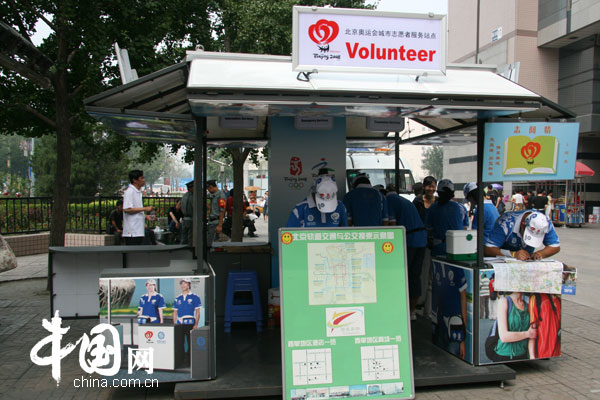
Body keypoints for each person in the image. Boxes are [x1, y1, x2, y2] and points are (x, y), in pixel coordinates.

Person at [386, 185, 427, 321]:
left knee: (401, 275)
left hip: (409, 240)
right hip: (421, 239)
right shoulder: (403, 200)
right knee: (415, 276)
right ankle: (412, 311)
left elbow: (390, 226)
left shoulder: (389, 201)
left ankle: (399, 309)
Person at [484, 210, 560, 260]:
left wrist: (539, 254)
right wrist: (513, 254)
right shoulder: (505, 222)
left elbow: (555, 246)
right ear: (522, 224)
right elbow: (488, 249)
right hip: (501, 261)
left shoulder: (544, 223)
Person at [431, 262, 468, 359]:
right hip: (440, 325)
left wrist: (463, 339)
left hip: (455, 329)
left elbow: (463, 298)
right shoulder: (436, 264)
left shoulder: (456, 268)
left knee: (453, 360)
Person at [425, 179, 469, 257]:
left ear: (438, 193)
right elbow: (465, 229)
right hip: (458, 248)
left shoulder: (433, 208)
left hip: (439, 249)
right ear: (453, 193)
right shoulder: (461, 208)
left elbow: (429, 230)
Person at [493, 292, 536, 361]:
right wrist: (527, 334)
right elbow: (504, 337)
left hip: (523, 355)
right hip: (504, 356)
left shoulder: (528, 304)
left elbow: (533, 334)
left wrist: (532, 356)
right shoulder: (504, 301)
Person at [173, 277, 202, 363]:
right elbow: (175, 312)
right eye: (181, 283)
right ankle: (180, 360)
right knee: (179, 343)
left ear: (189, 284)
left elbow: (197, 312)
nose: (183, 285)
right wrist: (175, 323)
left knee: (190, 343)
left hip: (190, 323)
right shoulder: (178, 298)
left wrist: (196, 324)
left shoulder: (195, 297)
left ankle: (190, 361)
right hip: (180, 324)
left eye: (185, 283)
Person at [123, 170, 155, 245]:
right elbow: (127, 209)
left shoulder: (138, 192)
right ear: (134, 180)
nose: (144, 180)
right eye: (141, 178)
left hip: (138, 231)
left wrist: (145, 216)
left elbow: (135, 211)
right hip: (132, 232)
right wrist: (145, 208)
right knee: (132, 254)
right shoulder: (130, 192)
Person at [528, 293, 561, 359]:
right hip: (542, 354)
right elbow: (532, 331)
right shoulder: (536, 298)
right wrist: (532, 356)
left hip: (557, 353)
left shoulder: (559, 301)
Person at [207, 180, 226, 246]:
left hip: (216, 222)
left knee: (211, 243)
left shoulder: (221, 196)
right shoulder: (211, 196)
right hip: (210, 221)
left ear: (211, 187)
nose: (208, 190)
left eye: (208, 188)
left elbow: (222, 211)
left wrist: (220, 225)